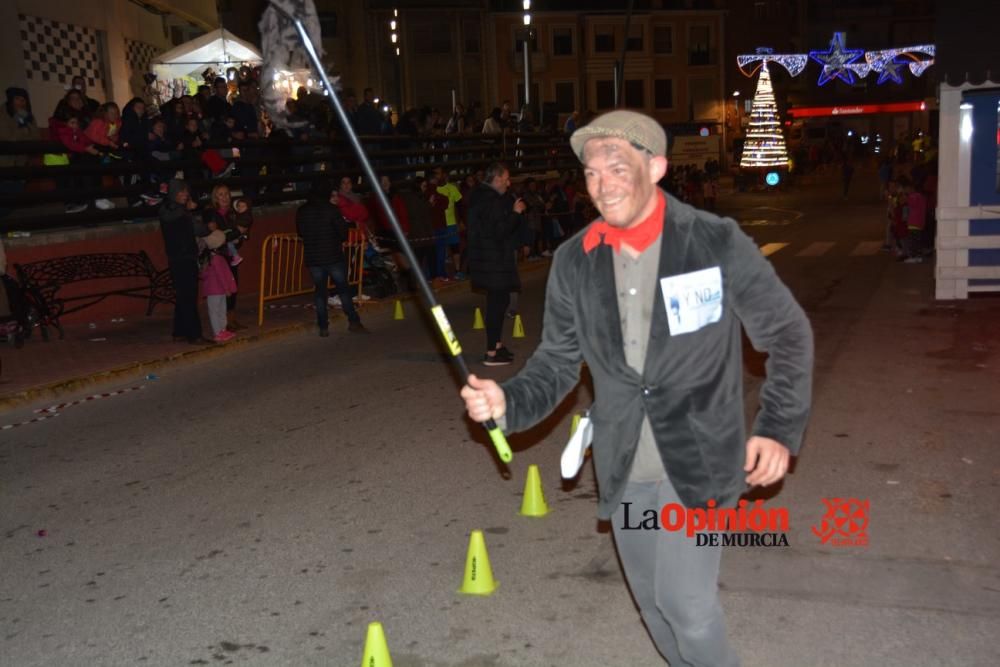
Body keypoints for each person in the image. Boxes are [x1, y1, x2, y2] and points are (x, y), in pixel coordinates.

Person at [460, 110, 814, 666]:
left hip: (697, 460)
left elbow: (789, 334)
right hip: (625, 462)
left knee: (688, 608)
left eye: (617, 167)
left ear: (658, 167)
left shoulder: (713, 241)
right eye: (592, 173)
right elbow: (556, 362)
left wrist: (777, 427)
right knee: (652, 605)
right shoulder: (575, 260)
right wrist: (508, 403)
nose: (603, 184)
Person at [466, 162, 526, 366]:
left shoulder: (479, 196)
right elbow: (499, 231)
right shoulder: (491, 200)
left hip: (486, 258)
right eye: (507, 179)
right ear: (497, 178)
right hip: (493, 260)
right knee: (497, 304)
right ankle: (491, 352)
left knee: (498, 302)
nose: (509, 184)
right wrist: (516, 213)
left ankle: (497, 345)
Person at [296, 178, 368, 336]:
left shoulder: (302, 210)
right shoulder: (332, 209)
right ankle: (354, 321)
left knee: (320, 292)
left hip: (314, 257)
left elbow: (300, 232)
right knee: (343, 290)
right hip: (333, 256)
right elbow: (343, 233)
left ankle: (323, 326)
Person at [159, 180, 210, 345]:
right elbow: (171, 217)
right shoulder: (168, 208)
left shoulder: (182, 210)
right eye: (181, 191)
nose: (185, 194)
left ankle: (179, 332)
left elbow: (197, 228)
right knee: (188, 297)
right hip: (180, 259)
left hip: (187, 257)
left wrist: (206, 226)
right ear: (173, 192)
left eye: (186, 191)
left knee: (184, 297)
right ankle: (194, 335)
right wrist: (187, 210)